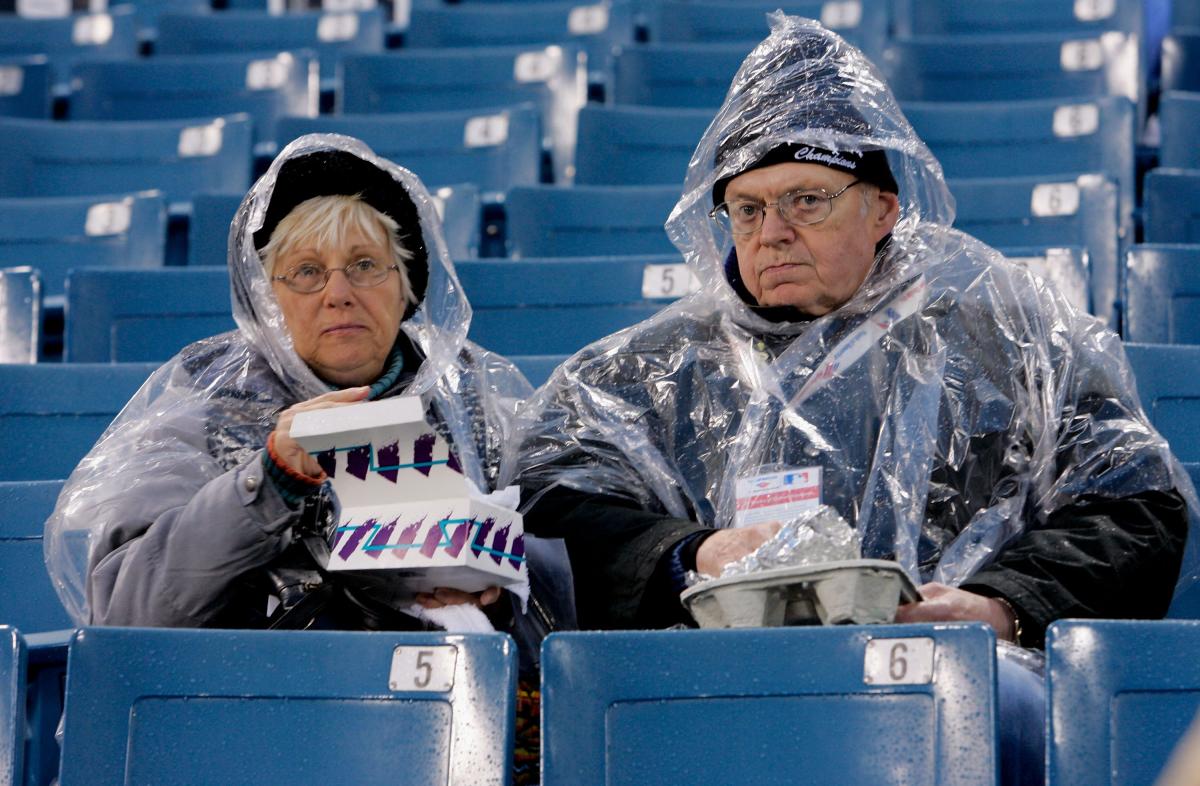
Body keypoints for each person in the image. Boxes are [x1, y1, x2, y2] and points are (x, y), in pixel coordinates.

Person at [507, 15, 1197, 785]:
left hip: (962, 684)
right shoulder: (651, 369)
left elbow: (1133, 505)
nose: (772, 233)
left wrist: (998, 604)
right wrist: (691, 552)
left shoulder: (1005, 333)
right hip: (722, 692)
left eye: (806, 200)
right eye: (747, 208)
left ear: (884, 208)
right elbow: (546, 506)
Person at [44, 134, 574, 706]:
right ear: (268, 300)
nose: (338, 293)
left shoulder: (473, 395)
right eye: (305, 272)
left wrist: (501, 587)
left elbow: (568, 585)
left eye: (366, 265)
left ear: (406, 285)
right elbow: (125, 613)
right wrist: (266, 483)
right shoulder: (207, 400)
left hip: (450, 704)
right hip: (253, 706)